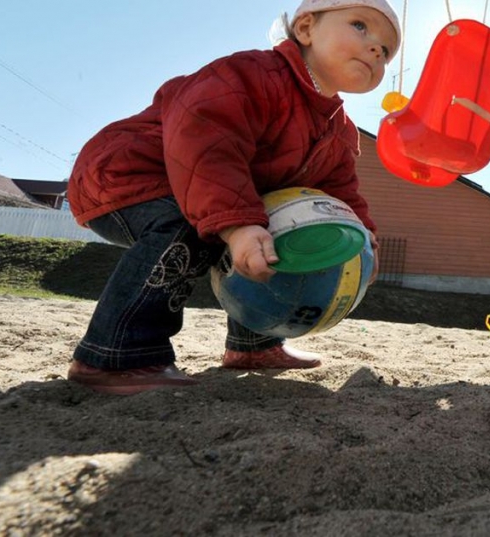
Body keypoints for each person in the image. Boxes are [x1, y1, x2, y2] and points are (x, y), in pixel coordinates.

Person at [65, 0, 400, 395]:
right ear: (306, 29)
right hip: (127, 174)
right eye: (361, 26)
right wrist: (238, 222)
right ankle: (116, 354)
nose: (376, 48)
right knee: (189, 228)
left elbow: (339, 190)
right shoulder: (252, 74)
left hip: (203, 191)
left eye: (387, 50)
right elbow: (205, 138)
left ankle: (253, 344)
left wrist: (364, 233)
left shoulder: (339, 130)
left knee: (271, 233)